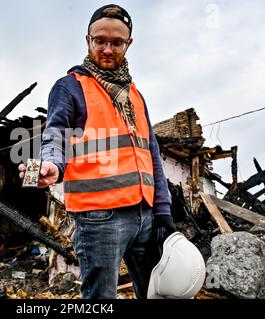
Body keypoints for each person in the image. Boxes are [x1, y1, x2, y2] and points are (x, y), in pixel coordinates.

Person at [19, 4, 176, 299]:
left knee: (158, 294)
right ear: (87, 40)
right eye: (99, 41)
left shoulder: (135, 95)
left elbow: (151, 153)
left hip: (145, 214)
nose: (106, 49)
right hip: (100, 219)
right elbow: (56, 134)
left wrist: (163, 211)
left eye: (116, 43)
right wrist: (52, 164)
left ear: (128, 45)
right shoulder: (70, 87)